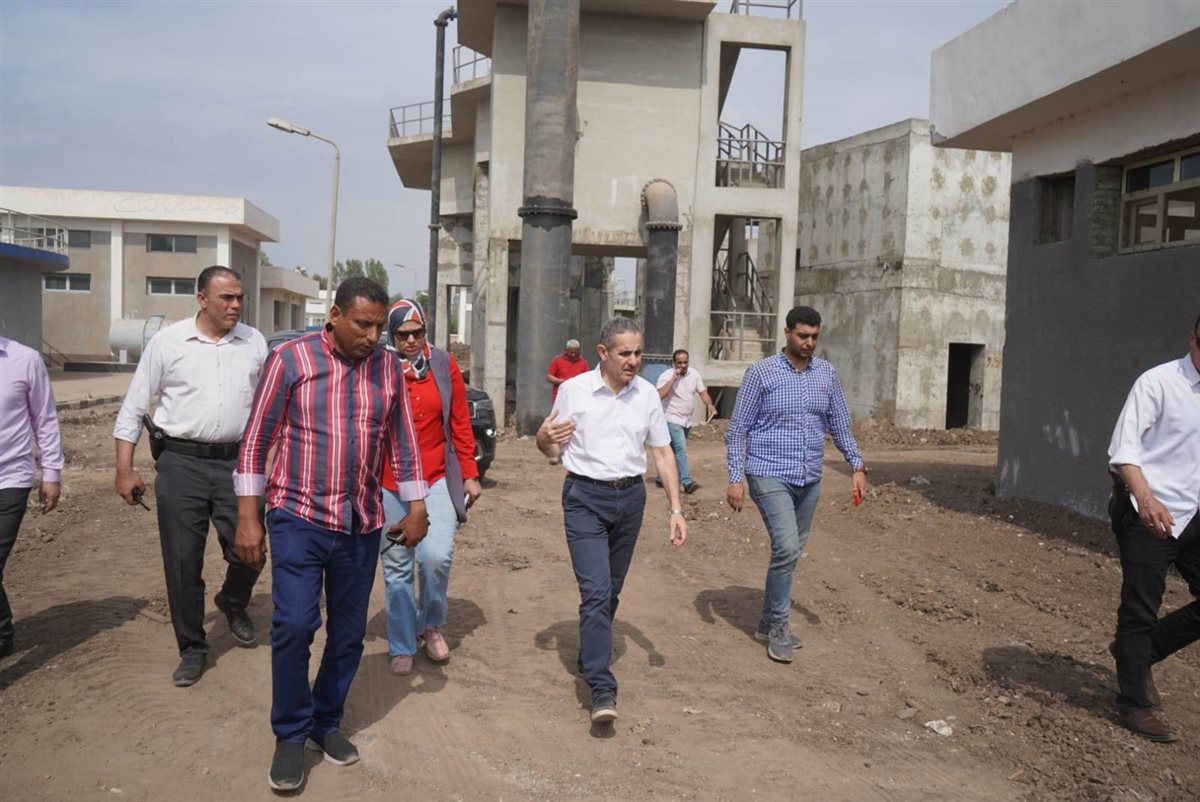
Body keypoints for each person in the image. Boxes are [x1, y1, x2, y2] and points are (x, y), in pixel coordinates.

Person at [233, 277, 429, 792]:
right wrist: (249, 517)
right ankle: (290, 734)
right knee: (295, 624)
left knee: (347, 633)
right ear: (335, 316)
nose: (372, 336)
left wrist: (417, 506)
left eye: (378, 326)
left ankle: (325, 721)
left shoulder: (389, 367)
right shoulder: (291, 360)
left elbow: (403, 441)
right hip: (297, 516)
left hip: (361, 521)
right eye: (362, 324)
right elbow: (255, 441)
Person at [113, 265, 266, 686]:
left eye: (240, 297)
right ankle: (193, 647)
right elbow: (134, 407)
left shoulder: (254, 342)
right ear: (202, 299)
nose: (236, 305)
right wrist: (125, 468)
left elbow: (269, 406)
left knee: (250, 551)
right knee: (183, 560)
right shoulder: (168, 342)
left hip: (239, 464)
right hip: (181, 463)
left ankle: (232, 601)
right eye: (226, 298)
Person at [536, 317, 687, 726]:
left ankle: (591, 650)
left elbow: (663, 453)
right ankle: (601, 687)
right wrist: (545, 439)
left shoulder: (647, 395)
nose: (633, 361)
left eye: (638, 353)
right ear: (603, 353)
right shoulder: (574, 391)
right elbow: (549, 446)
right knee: (597, 591)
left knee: (611, 591)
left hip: (631, 500)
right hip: (584, 498)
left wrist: (676, 509)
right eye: (625, 353)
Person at [725, 305, 867, 664]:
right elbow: (737, 429)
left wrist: (857, 464)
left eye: (815, 336)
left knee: (789, 553)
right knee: (787, 547)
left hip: (809, 478)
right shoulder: (762, 373)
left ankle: (765, 621)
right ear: (787, 333)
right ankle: (778, 627)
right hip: (768, 472)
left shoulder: (826, 374)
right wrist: (735, 478)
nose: (809, 342)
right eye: (803, 335)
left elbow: (840, 423)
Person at [1106, 315, 1200, 743]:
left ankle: (1138, 654)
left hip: (1193, 514)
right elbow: (1123, 451)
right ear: (1193, 338)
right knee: (1140, 608)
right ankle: (1133, 703)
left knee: (1144, 630)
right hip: (1147, 511)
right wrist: (1145, 500)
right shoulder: (1158, 383)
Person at [379, 299, 482, 676]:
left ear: (425, 332)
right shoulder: (378, 366)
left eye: (417, 333)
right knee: (398, 564)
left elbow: (459, 421)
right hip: (391, 482)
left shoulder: (442, 363)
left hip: (437, 476)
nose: (410, 341)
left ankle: (431, 624)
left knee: (436, 556)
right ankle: (401, 642)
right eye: (402, 334)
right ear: (391, 335)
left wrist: (469, 472)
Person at [0, 335, 63, 658]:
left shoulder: (25, 360)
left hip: (10, 478)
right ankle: (3, 631)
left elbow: (45, 418)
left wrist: (51, 474)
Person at [654, 349, 718, 494]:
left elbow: (702, 392)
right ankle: (686, 481)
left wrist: (709, 405)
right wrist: (673, 380)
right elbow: (659, 395)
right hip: (671, 418)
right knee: (680, 449)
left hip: (687, 420)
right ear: (674, 363)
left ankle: (660, 477)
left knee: (671, 450)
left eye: (685, 362)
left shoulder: (694, 374)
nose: (683, 366)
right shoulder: (666, 376)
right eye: (679, 363)